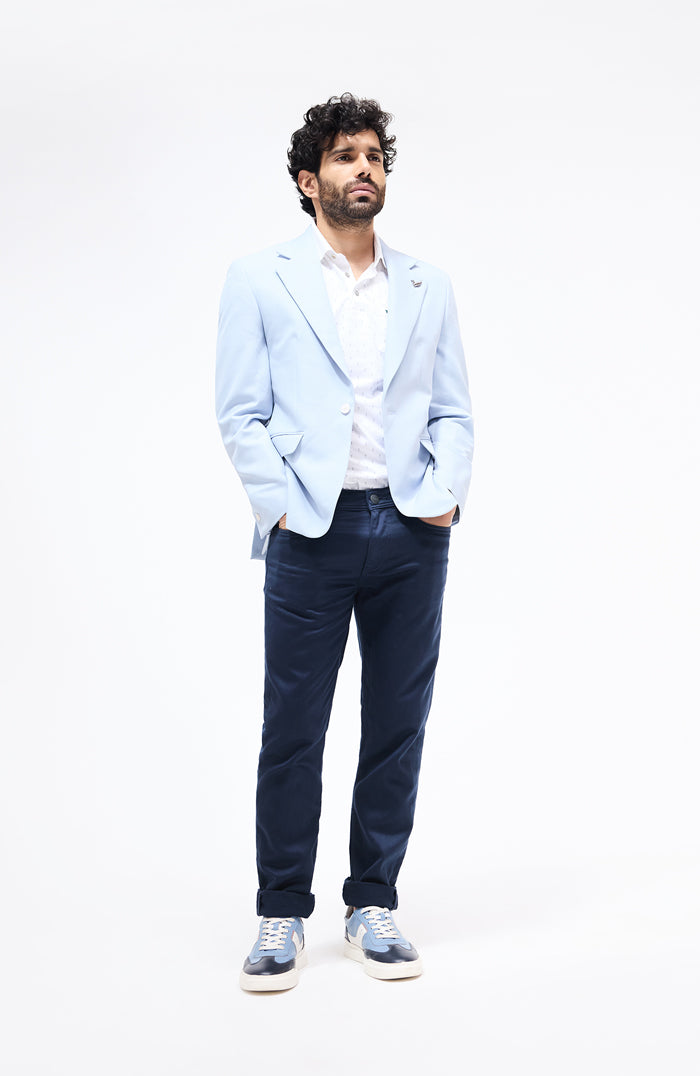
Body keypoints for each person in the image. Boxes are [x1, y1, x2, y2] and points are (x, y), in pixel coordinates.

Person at [215, 93, 473, 991]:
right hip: (311, 533)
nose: (364, 168)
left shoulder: (426, 283)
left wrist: (443, 498)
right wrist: (281, 508)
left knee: (398, 725)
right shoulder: (260, 278)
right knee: (293, 728)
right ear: (307, 180)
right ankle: (281, 912)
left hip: (409, 532)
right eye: (344, 156)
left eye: (373, 156)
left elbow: (454, 409)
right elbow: (239, 412)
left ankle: (373, 902)